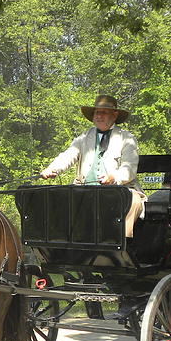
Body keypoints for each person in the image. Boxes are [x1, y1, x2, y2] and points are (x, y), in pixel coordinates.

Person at [40, 94, 145, 237]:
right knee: (57, 199)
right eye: (97, 112)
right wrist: (52, 169)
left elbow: (129, 168)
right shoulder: (84, 137)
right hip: (84, 190)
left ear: (114, 116)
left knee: (134, 201)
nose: (99, 116)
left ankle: (120, 244)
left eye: (103, 112)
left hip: (119, 190)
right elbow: (68, 155)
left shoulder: (126, 138)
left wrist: (113, 177)